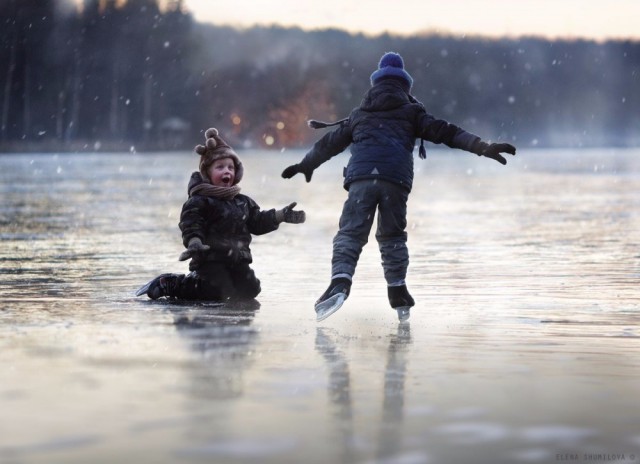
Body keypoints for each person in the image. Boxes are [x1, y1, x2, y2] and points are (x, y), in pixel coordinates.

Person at [282, 51, 516, 322]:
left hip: (361, 179)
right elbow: (448, 133)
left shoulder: (359, 114)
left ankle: (340, 283)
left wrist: (307, 164)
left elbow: (329, 143)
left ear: (376, 84)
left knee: (351, 233)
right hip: (395, 182)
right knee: (392, 236)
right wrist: (482, 146)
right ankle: (398, 290)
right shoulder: (413, 112)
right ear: (405, 85)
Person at [136, 127, 306, 302]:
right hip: (210, 260)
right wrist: (194, 241)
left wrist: (281, 215)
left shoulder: (243, 201)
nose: (227, 171)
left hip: (238, 260)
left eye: (231, 168)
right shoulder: (200, 201)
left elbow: (257, 222)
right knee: (216, 292)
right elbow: (191, 223)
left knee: (250, 290)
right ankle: (175, 283)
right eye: (220, 167)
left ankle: (216, 284)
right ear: (207, 173)